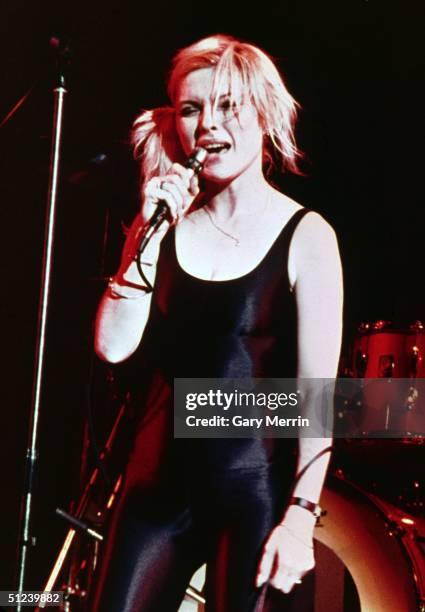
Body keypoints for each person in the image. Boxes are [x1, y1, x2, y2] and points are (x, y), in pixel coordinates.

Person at [92, 34, 343, 612]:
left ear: (263, 114)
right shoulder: (163, 226)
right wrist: (144, 239)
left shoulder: (307, 235)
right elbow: (111, 346)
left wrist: (302, 516)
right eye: (191, 108)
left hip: (255, 492)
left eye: (228, 104)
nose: (208, 123)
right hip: (156, 491)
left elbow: (318, 397)